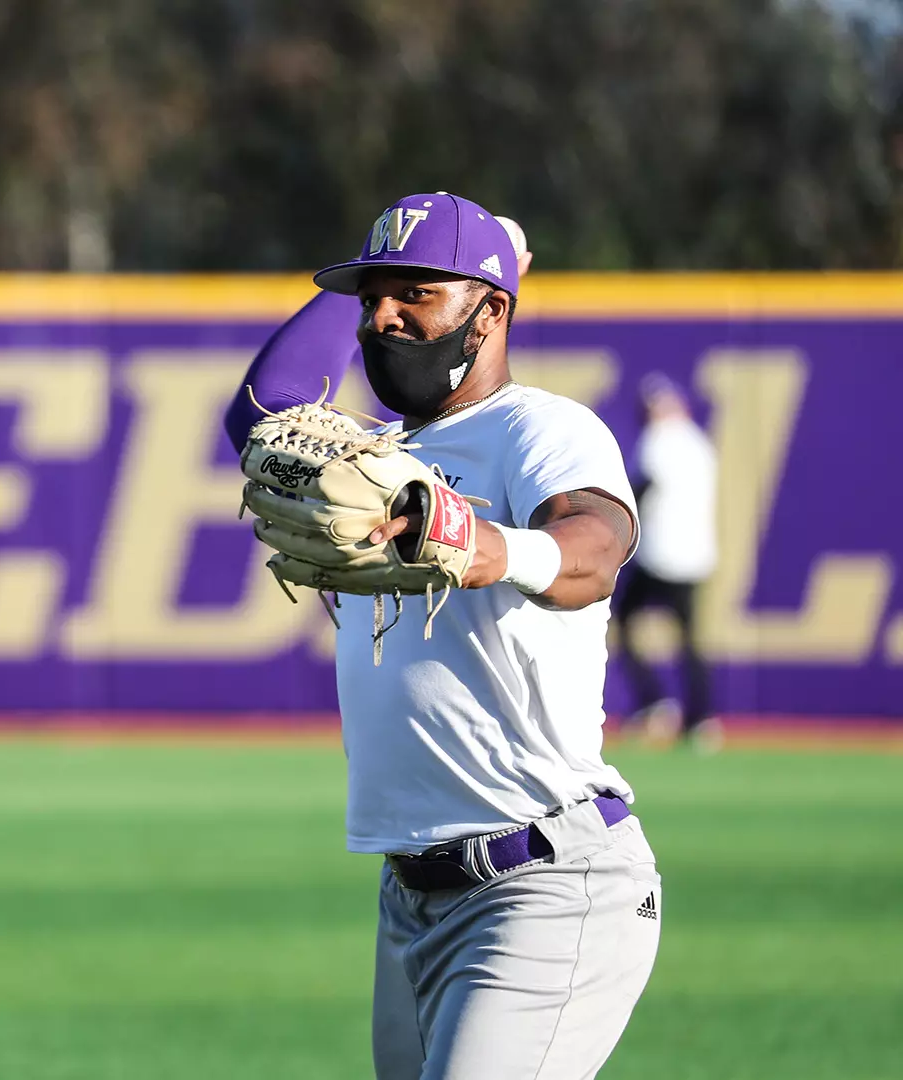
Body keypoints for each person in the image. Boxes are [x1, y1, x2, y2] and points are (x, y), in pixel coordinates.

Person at [230, 192, 660, 1080]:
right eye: (370, 298)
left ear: (490, 311)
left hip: (541, 881)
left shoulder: (538, 428)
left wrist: (487, 545)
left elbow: (597, 549)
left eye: (415, 295)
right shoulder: (370, 461)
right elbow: (258, 409)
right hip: (411, 900)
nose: (382, 317)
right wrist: (392, 266)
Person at [613, 373, 720, 750]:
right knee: (689, 639)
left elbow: (645, 488)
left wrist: (619, 530)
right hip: (696, 556)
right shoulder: (698, 442)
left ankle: (655, 702)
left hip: (660, 555)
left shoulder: (659, 439)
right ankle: (701, 718)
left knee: (623, 619)